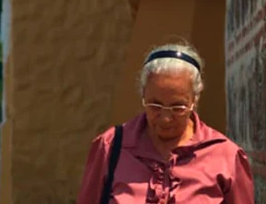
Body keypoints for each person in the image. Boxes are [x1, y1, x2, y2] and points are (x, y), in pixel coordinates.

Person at [76, 42, 254, 204]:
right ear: (143, 94)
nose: (165, 118)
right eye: (155, 106)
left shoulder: (225, 156)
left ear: (195, 99)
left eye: (178, 107)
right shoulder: (110, 147)